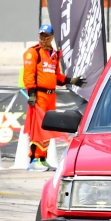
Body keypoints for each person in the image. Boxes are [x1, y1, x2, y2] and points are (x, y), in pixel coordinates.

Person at [23, 24, 86, 171]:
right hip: (39, 96)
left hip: (51, 96)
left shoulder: (54, 54)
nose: (43, 38)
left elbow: (57, 77)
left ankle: (42, 159)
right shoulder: (33, 52)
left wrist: (71, 80)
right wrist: (32, 94)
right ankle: (34, 160)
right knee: (38, 129)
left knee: (48, 128)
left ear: (51, 37)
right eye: (41, 35)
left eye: (46, 35)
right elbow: (28, 75)